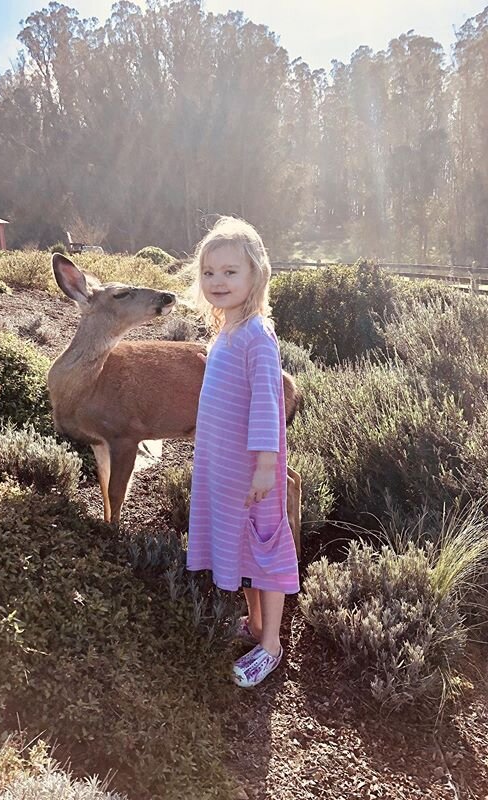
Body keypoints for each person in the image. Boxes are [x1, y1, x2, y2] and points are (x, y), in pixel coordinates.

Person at [186, 216, 300, 688]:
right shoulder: (227, 331)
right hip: (225, 470)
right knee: (245, 547)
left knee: (267, 551)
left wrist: (268, 468)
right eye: (210, 272)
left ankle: (271, 644)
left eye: (231, 272)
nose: (218, 281)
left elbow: (267, 406)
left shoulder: (257, 336)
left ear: (256, 275)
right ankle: (254, 625)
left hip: (256, 474)